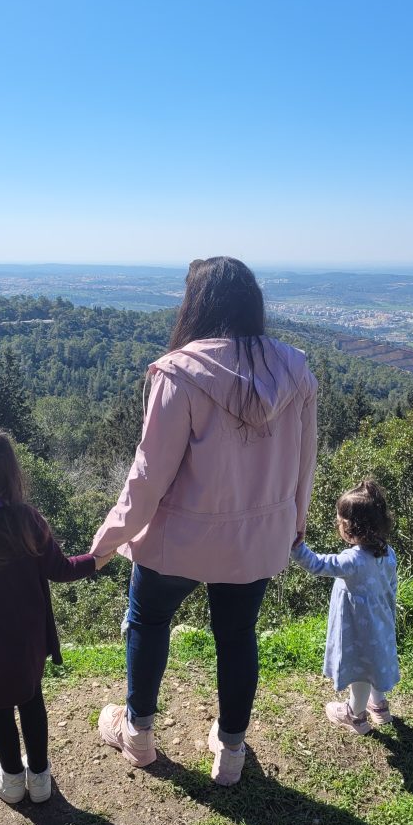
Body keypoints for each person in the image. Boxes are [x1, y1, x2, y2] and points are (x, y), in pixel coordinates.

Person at [90, 257, 318, 786]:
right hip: (256, 539)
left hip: (179, 538)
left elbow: (148, 477)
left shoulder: (179, 373)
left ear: (197, 304)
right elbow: (305, 459)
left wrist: (107, 541)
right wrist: (296, 522)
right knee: (237, 635)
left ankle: (138, 735)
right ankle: (231, 752)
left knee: (148, 621)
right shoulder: (295, 370)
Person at [0, 425, 113, 805]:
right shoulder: (26, 520)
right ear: (10, 473)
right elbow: (60, 569)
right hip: (29, 641)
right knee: (32, 700)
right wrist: (95, 561)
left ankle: (12, 780)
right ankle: (40, 779)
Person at [291, 479, 399, 734]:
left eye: (340, 521)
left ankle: (355, 715)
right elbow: (392, 587)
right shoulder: (387, 553)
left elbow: (317, 564)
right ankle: (379, 706)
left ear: (351, 527)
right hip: (381, 621)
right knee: (375, 663)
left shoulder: (352, 560)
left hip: (358, 631)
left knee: (360, 672)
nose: (337, 524)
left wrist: (295, 546)